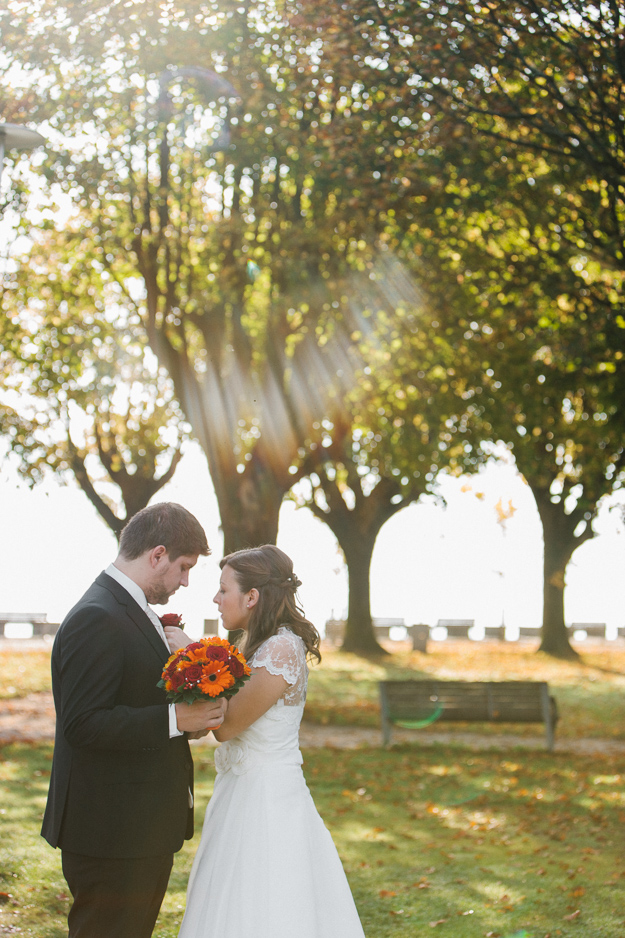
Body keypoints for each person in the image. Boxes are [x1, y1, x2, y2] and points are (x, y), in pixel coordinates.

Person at [41, 502, 227, 938]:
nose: (185, 581)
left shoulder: (126, 607)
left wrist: (188, 719)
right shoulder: (98, 615)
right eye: (183, 567)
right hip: (112, 831)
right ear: (157, 554)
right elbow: (84, 723)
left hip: (135, 828)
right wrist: (176, 717)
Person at [163, 544, 366, 938]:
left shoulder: (282, 648)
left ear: (252, 596)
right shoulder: (249, 647)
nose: (216, 598)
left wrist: (191, 655)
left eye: (224, 589)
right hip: (239, 791)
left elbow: (227, 725)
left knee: (267, 901)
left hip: (268, 801)